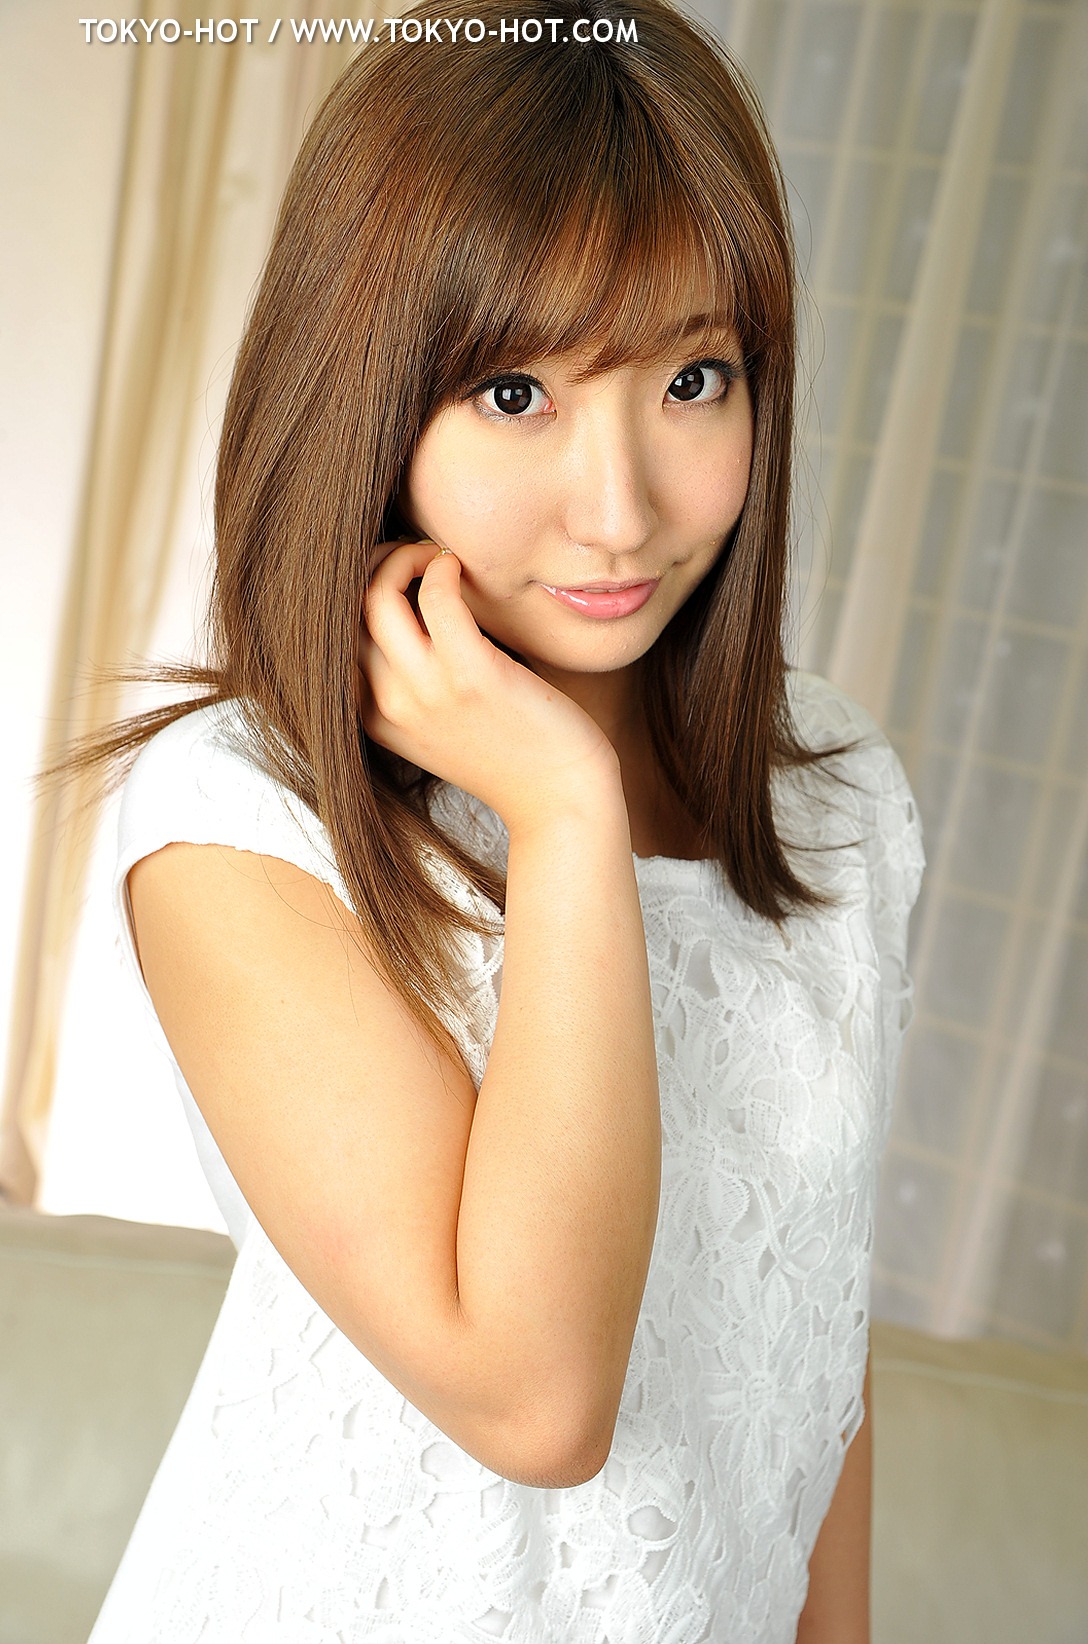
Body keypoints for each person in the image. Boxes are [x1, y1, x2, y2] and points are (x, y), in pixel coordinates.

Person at [83, 2, 923, 1639]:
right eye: (517, 393)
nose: (620, 508)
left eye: (693, 379)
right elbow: (537, 1399)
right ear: (371, 397)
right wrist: (565, 814)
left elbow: (816, 1336)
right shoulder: (243, 823)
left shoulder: (834, 795)